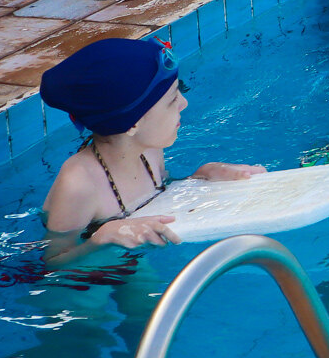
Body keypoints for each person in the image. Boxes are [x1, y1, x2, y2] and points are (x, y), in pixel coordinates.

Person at [38, 37, 264, 262]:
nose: (184, 103)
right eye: (172, 99)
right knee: (93, 299)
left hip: (128, 254)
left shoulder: (149, 149)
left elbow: (159, 198)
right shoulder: (79, 182)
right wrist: (102, 239)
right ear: (133, 124)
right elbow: (54, 264)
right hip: (88, 271)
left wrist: (200, 178)